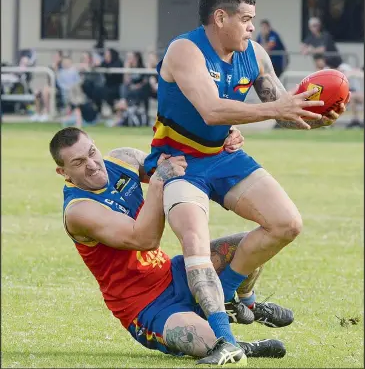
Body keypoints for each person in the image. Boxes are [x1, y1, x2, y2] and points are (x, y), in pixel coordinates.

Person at [143, 0, 347, 362]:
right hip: (179, 164)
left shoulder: (254, 55)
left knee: (287, 224)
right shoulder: (185, 50)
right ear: (221, 18)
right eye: (247, 20)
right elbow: (211, 110)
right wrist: (280, 110)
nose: (253, 28)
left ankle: (229, 296)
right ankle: (225, 339)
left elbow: (284, 110)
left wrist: (318, 118)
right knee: (195, 243)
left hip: (224, 157)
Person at [49, 127, 285, 365]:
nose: (91, 164)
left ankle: (244, 302)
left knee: (248, 246)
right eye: (78, 162)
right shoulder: (79, 210)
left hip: (173, 273)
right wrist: (158, 180)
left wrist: (220, 140)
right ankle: (244, 345)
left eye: (91, 152)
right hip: (145, 306)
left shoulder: (123, 160)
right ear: (63, 171)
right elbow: (144, 239)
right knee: (211, 342)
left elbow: (179, 165)